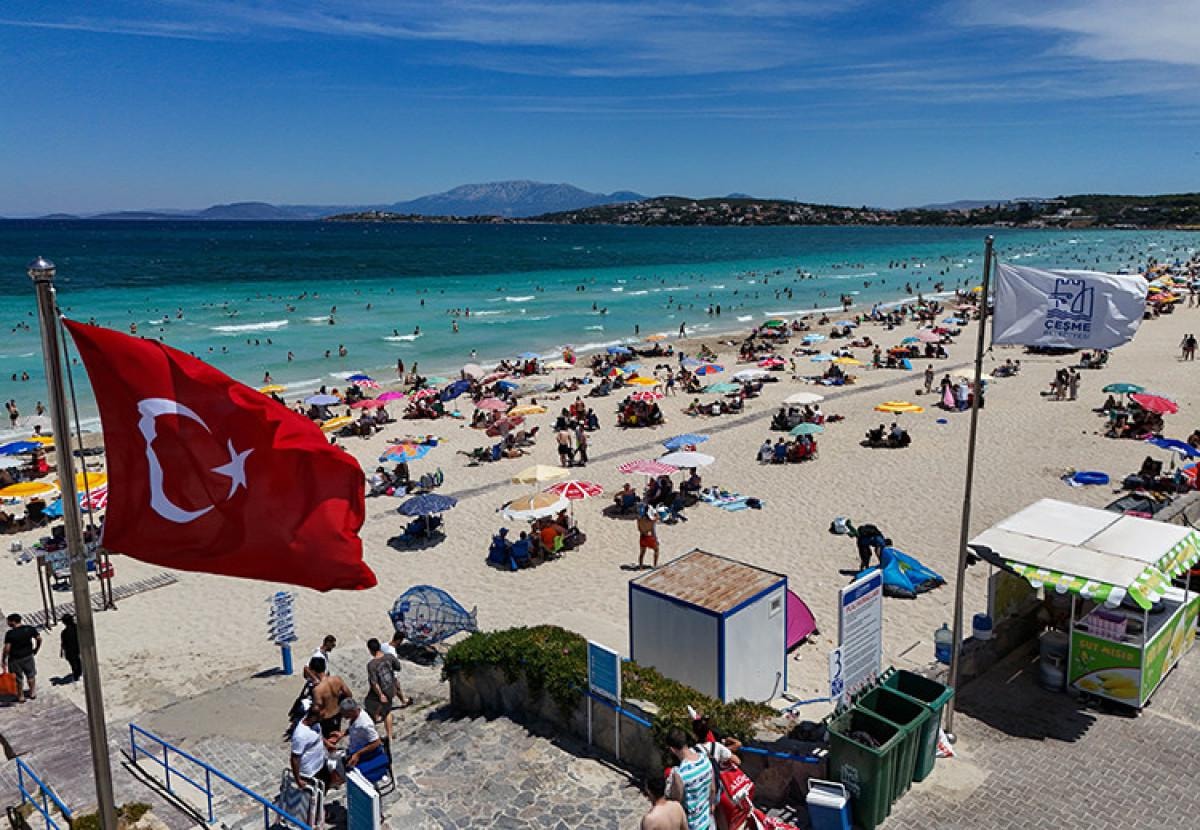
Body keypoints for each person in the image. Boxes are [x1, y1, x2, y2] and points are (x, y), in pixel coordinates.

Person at [364, 637, 411, 748]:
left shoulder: (371, 665)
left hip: (381, 690)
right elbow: (398, 667)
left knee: (371, 704)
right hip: (391, 687)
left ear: (370, 650)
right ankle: (388, 734)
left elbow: (374, 682)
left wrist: (380, 694)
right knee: (386, 709)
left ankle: (377, 729)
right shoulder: (389, 657)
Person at [666, 728, 716, 830]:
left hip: (693, 825)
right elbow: (713, 789)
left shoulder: (680, 773)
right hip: (707, 820)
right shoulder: (705, 759)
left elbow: (676, 803)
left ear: (672, 749)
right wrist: (711, 805)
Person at [290, 705, 341, 792]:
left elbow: (318, 735)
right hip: (310, 772)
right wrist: (298, 780)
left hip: (321, 764)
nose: (323, 718)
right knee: (313, 795)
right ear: (313, 717)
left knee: (324, 786)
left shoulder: (315, 723)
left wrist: (327, 744)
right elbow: (294, 758)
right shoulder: (300, 736)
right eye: (321, 716)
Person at [308, 656, 350, 739]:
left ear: (313, 671)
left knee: (327, 740)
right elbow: (348, 694)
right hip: (338, 713)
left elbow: (317, 708)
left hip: (326, 718)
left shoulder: (317, 689)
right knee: (335, 737)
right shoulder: (337, 679)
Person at [3, 613, 41, 702]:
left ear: (13, 622)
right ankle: (32, 693)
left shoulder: (10, 634)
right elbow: (39, 639)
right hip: (28, 656)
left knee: (18, 679)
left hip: (15, 659)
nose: (8, 623)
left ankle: (21, 696)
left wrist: (3, 659)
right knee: (31, 675)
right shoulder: (29, 629)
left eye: (8, 622)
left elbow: (7, 648)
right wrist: (36, 649)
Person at [338, 698, 383, 772]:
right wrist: (343, 733)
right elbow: (354, 728)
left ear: (351, 711)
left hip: (363, 753)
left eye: (344, 714)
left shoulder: (365, 724)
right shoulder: (356, 716)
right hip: (354, 749)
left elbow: (376, 742)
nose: (343, 716)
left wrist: (358, 754)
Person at [60, 613, 81, 682]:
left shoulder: (64, 633)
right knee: (78, 662)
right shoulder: (78, 628)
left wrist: (62, 651)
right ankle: (79, 673)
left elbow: (64, 644)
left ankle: (76, 676)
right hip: (78, 648)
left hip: (70, 651)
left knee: (74, 665)